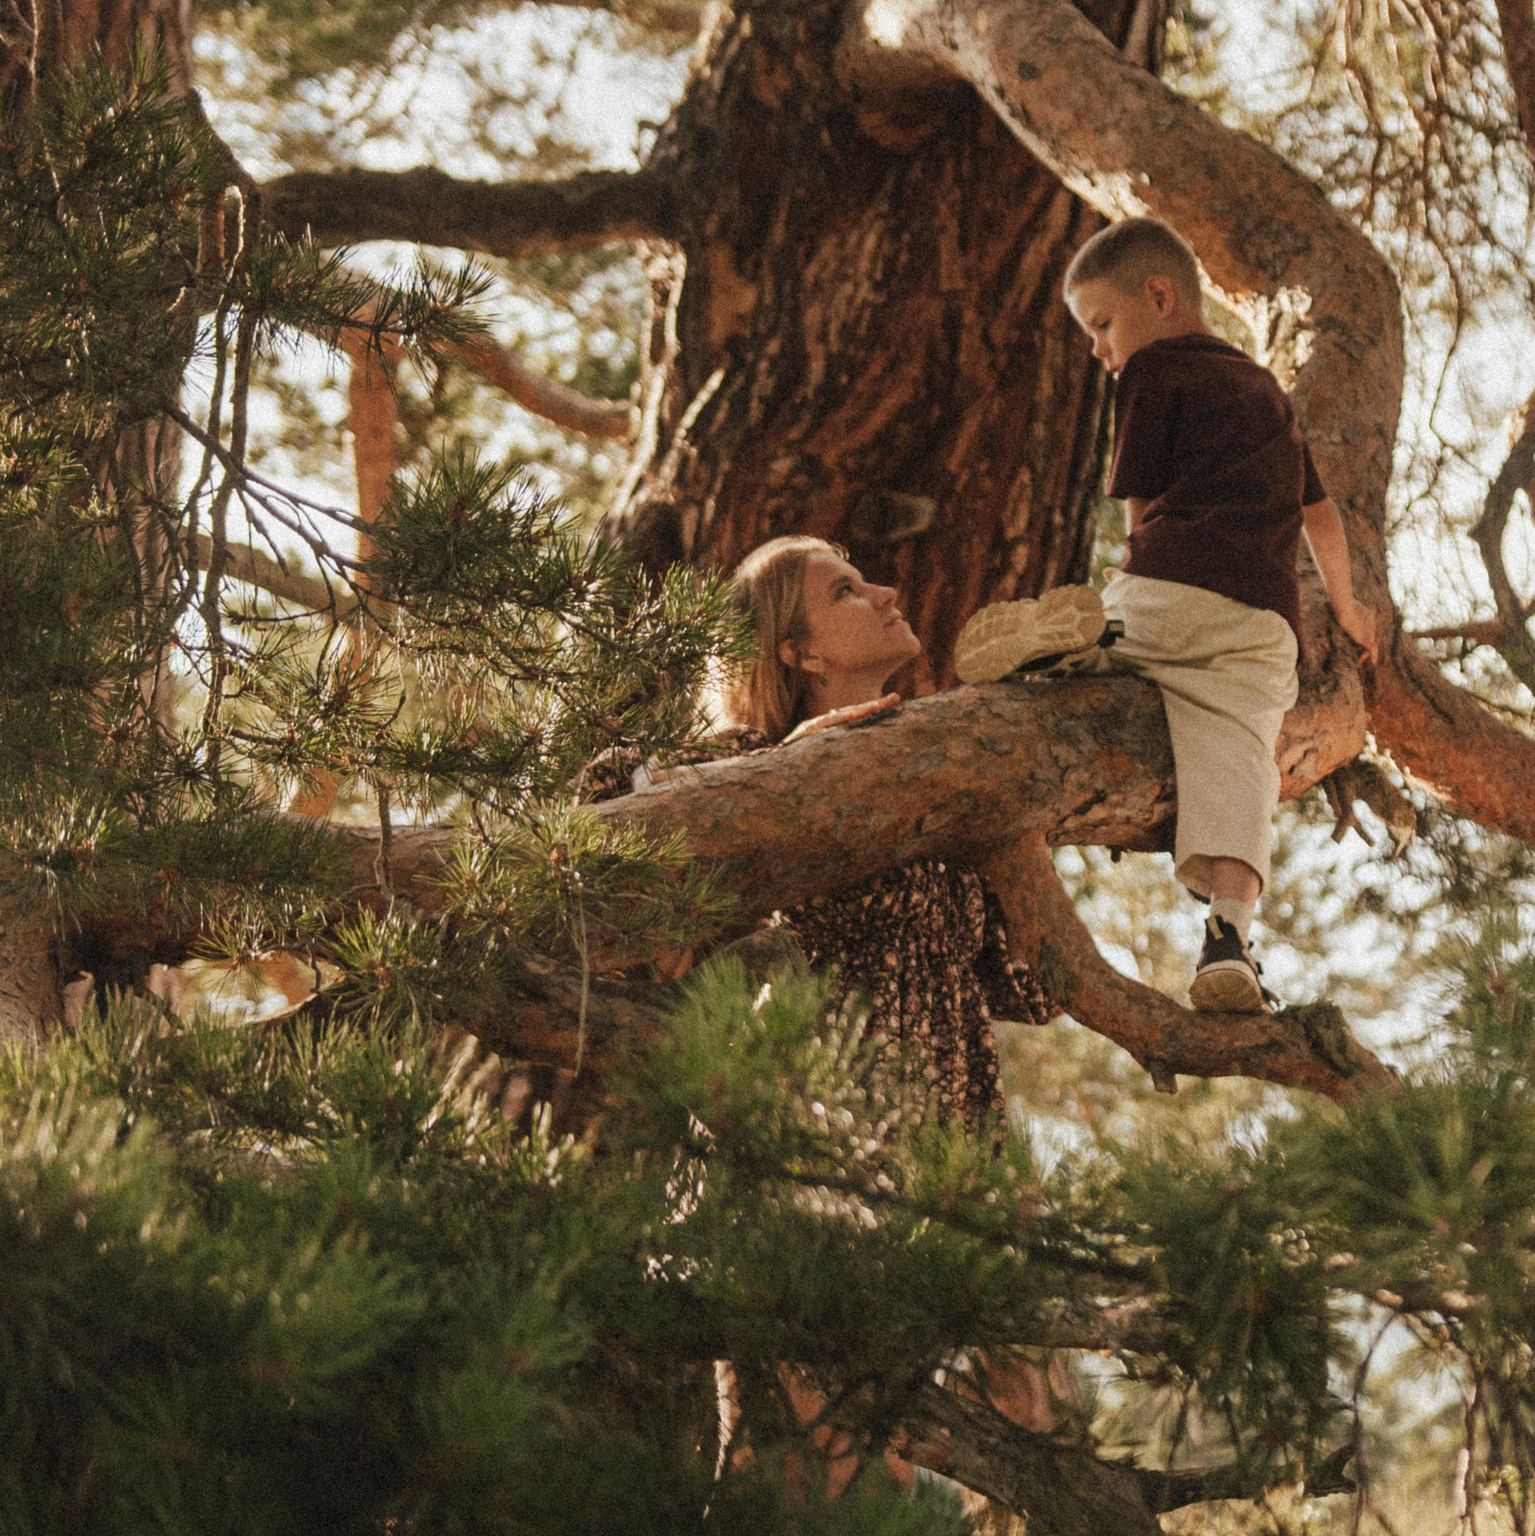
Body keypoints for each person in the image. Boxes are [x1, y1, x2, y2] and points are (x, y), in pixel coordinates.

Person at [952, 215, 1378, 1015]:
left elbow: (1142, 508)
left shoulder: (1153, 371)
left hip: (1167, 591)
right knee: (1244, 763)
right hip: (1258, 627)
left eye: (1102, 325)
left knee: (1125, 631)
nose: (1098, 348)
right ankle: (1228, 940)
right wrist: (1350, 610)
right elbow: (1321, 517)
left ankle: (1081, 642)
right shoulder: (1270, 394)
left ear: (1159, 296)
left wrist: (1127, 578)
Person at [583, 533, 1052, 1125]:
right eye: (844, 592)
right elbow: (607, 793)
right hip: (806, 1103)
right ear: (801, 654)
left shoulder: (935, 785)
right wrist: (787, 767)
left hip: (947, 1130)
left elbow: (1033, 990)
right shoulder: (754, 757)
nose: (886, 593)